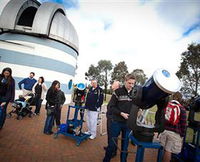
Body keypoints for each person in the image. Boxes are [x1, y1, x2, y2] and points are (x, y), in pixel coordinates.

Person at [103, 74, 136, 162]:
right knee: (112, 144)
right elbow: (111, 107)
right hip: (116, 122)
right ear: (125, 81)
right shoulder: (117, 92)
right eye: (129, 83)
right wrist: (121, 113)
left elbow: (137, 106)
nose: (131, 86)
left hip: (128, 124)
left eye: (133, 84)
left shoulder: (135, 93)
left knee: (125, 146)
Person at [158, 92, 187, 162]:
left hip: (164, 131)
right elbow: (183, 123)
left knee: (163, 149)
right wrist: (182, 134)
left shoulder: (166, 105)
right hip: (174, 133)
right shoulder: (182, 109)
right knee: (168, 151)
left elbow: (161, 118)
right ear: (180, 99)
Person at [104, 81, 120, 157]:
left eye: (113, 84)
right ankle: (109, 147)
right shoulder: (114, 93)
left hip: (113, 118)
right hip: (110, 117)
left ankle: (113, 152)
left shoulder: (118, 94)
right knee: (110, 134)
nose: (111, 85)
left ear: (117, 86)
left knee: (113, 135)